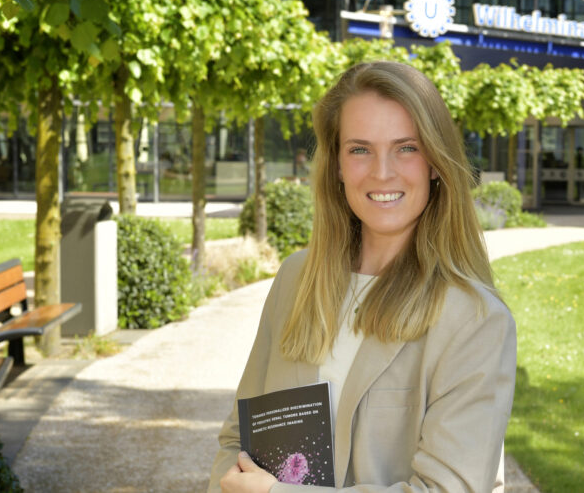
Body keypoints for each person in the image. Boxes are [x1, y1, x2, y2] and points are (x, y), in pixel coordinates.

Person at [208, 61, 517, 493]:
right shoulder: (295, 280)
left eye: (406, 148)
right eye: (359, 149)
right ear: (336, 164)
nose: (382, 172)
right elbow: (238, 443)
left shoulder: (474, 320)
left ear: (435, 161)